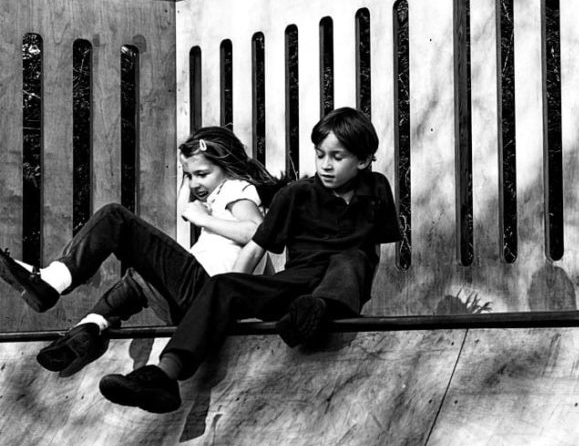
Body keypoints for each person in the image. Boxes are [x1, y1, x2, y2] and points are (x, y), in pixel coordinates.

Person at [97, 107, 402, 413]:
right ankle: (163, 375)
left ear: (362, 160)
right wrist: (235, 288)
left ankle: (319, 309)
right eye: (320, 155)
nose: (325, 165)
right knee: (221, 286)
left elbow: (373, 251)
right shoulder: (296, 195)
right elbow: (255, 248)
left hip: (340, 285)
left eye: (337, 157)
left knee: (351, 258)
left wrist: (356, 298)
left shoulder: (376, 189)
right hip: (298, 283)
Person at [0, 126, 285, 378]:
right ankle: (91, 328)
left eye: (202, 174)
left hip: (204, 292)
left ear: (228, 167)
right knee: (138, 279)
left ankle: (54, 280)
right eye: (189, 176)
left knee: (115, 218)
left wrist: (203, 219)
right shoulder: (221, 197)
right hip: (196, 310)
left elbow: (257, 232)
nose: (195, 184)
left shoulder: (237, 188)